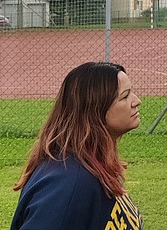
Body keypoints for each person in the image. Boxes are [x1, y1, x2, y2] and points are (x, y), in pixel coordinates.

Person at [11, 62, 144, 230]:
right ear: (94, 109)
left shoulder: (91, 161)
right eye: (125, 96)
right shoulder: (68, 183)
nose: (136, 101)